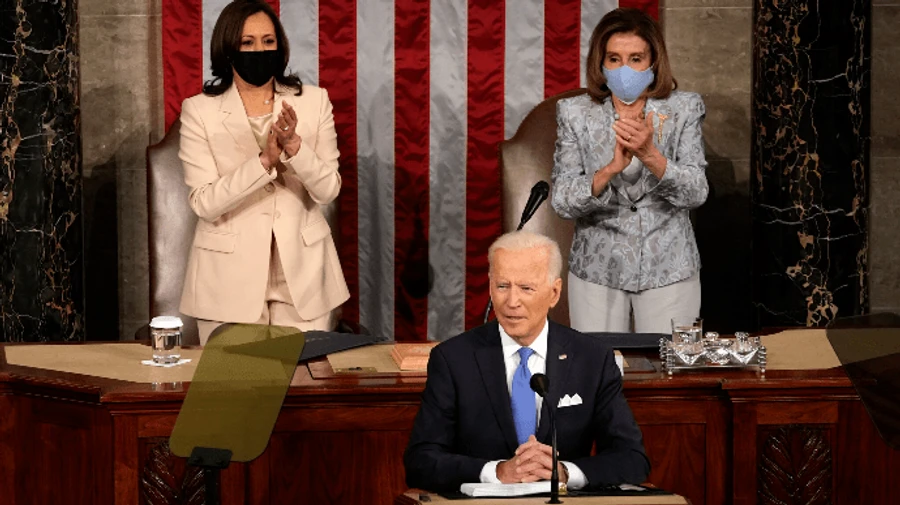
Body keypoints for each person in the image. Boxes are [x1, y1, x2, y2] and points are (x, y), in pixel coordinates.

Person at [404, 231, 649, 493]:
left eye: (526, 288)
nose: (512, 302)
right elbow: (421, 461)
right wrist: (496, 472)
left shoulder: (592, 359)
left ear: (554, 293)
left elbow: (633, 459)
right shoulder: (453, 359)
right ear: (490, 286)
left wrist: (563, 473)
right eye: (502, 286)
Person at [178, 0, 348, 345]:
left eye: (268, 41)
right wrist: (264, 161)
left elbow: (328, 189)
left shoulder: (314, 101)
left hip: (304, 281)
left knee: (301, 377)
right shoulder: (199, 111)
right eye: (248, 42)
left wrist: (295, 147)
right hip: (227, 283)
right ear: (228, 48)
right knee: (241, 380)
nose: (260, 50)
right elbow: (205, 203)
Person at [551, 8, 709, 334]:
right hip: (597, 269)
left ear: (653, 62)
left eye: (636, 59)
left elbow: (696, 192)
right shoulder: (574, 113)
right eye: (614, 59)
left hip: (669, 266)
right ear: (601, 63)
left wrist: (651, 157)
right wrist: (609, 170)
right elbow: (563, 200)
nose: (625, 69)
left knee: (669, 364)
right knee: (598, 364)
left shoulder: (684, 108)